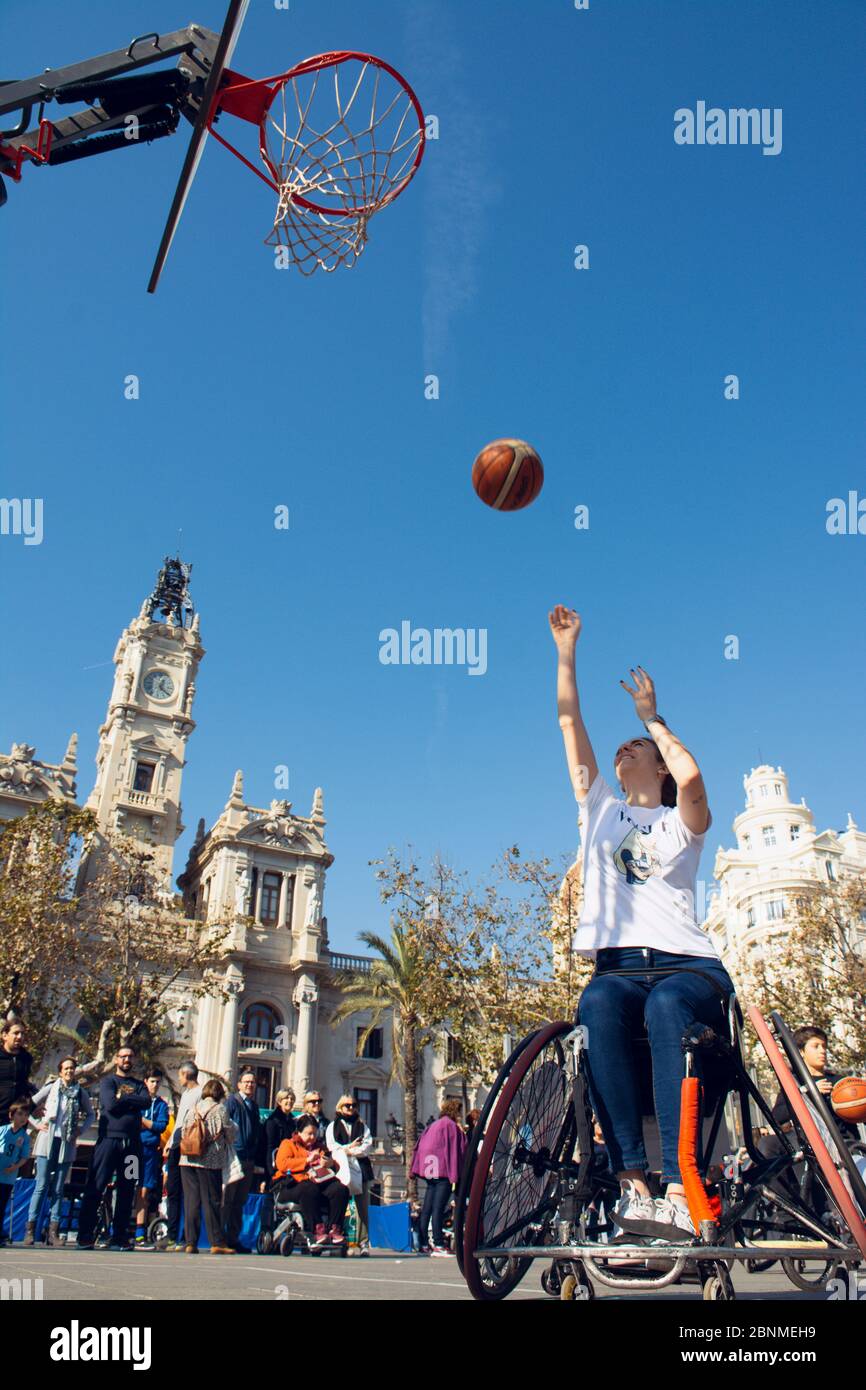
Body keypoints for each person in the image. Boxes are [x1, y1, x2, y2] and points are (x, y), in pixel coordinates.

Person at [550, 604, 736, 1243]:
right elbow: (569, 719)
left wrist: (653, 718)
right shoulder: (596, 807)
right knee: (596, 1003)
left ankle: (681, 1182)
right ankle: (634, 1184)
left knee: (665, 1013)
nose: (627, 748)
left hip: (687, 967)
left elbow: (692, 774)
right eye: (626, 745)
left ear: (657, 766)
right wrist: (566, 650)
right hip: (619, 966)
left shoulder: (683, 823)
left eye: (643, 749)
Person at [76, 1045, 152, 1251]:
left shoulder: (139, 1084)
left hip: (133, 1145)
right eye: (123, 1056)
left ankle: (120, 1237)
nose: (127, 1059)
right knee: (96, 1186)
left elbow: (146, 1101)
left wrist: (124, 1099)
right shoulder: (108, 1081)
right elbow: (110, 1105)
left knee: (128, 1189)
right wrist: (131, 1101)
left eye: (130, 1056)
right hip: (108, 1142)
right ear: (116, 1059)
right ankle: (85, 1235)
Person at [25, 1057, 93, 1246]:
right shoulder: (51, 1088)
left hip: (67, 1141)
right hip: (47, 1140)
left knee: (58, 1188)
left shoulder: (80, 1092)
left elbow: (91, 1114)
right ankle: (30, 1229)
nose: (69, 1071)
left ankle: (53, 1231)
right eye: (66, 1068)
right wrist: (38, 1124)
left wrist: (81, 1129)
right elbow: (29, 1105)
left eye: (72, 1068)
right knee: (42, 1184)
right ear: (60, 1070)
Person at [179, 1078, 238, 1254]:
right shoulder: (220, 1109)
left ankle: (190, 1242)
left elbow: (183, 1130)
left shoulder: (193, 1109)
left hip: (187, 1159)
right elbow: (230, 1135)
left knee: (192, 1201)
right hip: (209, 1161)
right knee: (211, 1201)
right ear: (220, 1094)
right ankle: (217, 1242)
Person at [274, 1114, 349, 1248]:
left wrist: (330, 1163)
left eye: (315, 1134)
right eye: (309, 1134)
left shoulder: (320, 1147)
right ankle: (318, 1229)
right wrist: (306, 1160)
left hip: (319, 1183)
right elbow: (282, 1164)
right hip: (292, 1185)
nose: (312, 1138)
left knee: (340, 1189)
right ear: (299, 1133)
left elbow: (334, 1166)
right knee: (309, 1189)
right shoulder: (288, 1144)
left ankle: (334, 1229)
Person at [410, 1099, 467, 1256]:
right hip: (443, 1170)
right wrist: (455, 1174)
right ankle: (438, 1244)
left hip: (430, 1169)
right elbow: (458, 1149)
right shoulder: (451, 1126)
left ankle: (422, 1244)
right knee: (438, 1208)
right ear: (456, 1112)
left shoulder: (433, 1125)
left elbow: (419, 1145)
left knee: (427, 1207)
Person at [221, 1068, 264, 1252]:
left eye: (252, 1082)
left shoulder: (254, 1106)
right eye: (246, 1082)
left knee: (239, 1200)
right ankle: (220, 1238)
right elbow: (224, 1125)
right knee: (228, 1199)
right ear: (239, 1084)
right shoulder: (232, 1102)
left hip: (247, 1159)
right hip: (233, 1157)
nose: (249, 1085)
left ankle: (233, 1238)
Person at [326, 1094, 375, 1256]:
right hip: (340, 1169)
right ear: (340, 1107)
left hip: (361, 1169)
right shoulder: (332, 1126)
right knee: (339, 1204)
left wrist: (346, 1150)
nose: (351, 1108)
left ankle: (364, 1242)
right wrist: (350, 1148)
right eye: (347, 1105)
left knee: (362, 1208)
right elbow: (332, 1147)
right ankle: (338, 1239)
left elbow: (366, 1147)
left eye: (354, 1105)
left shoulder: (362, 1126)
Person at [161, 1061, 201, 1251]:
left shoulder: (200, 1094)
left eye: (180, 1075)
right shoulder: (185, 1094)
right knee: (173, 1190)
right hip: (177, 1143)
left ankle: (187, 1238)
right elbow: (178, 1122)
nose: (178, 1078)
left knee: (189, 1192)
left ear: (186, 1074)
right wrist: (169, 1143)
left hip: (190, 1144)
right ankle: (172, 1235)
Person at [134, 1070, 169, 1247]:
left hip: (150, 1152)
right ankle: (119, 1228)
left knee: (145, 1189)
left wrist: (145, 1122)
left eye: (158, 1082)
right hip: (133, 1150)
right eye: (152, 1081)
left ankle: (140, 1231)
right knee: (127, 1185)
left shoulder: (162, 1105)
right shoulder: (137, 1100)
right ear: (145, 1081)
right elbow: (131, 1120)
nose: (155, 1085)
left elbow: (161, 1126)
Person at [0, 1098, 32, 1245]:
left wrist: (15, 1167)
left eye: (25, 1115)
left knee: (2, 1204)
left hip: (8, 1176)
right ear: (11, 1115)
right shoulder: (2, 1130)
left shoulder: (24, 1137)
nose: (23, 1118)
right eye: (20, 1114)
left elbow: (24, 1157)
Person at [0, 1020, 36, 1126]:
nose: (20, 1037)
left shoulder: (26, 1058)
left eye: (22, 1033)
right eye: (16, 1033)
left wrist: (33, 1107)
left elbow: (25, 1085)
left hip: (17, 1119)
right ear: (4, 1035)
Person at [264, 1089, 296, 1183]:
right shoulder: (272, 1121)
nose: (289, 1101)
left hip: (290, 1164)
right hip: (276, 1164)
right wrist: (271, 1172)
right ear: (279, 1101)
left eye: (292, 1099)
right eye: (286, 1098)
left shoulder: (293, 1121)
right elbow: (269, 1147)